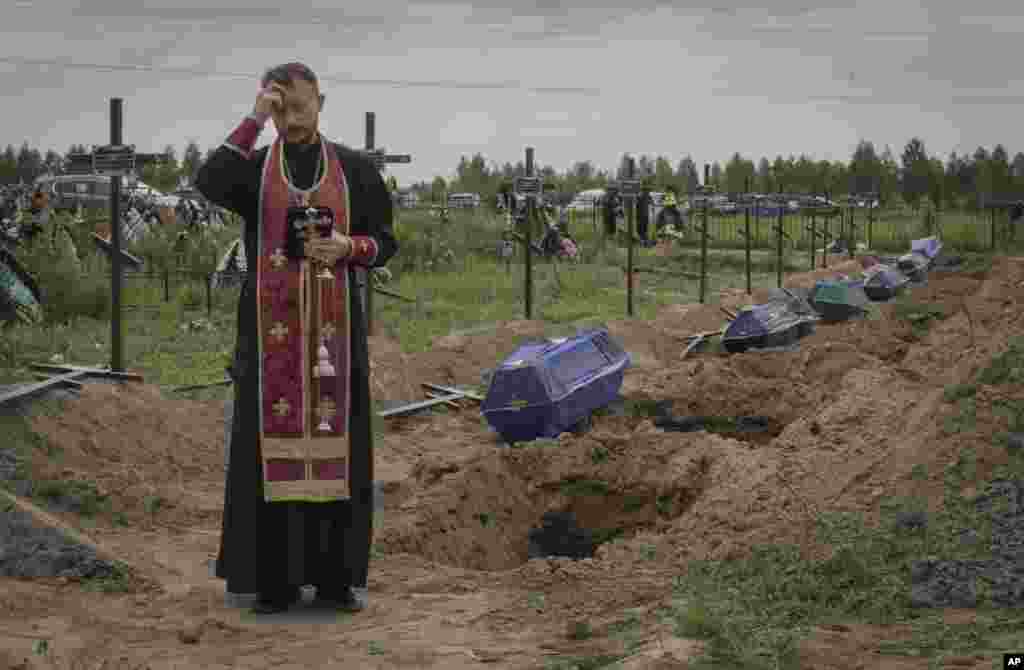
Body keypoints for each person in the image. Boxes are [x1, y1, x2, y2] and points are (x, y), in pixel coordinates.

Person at [194, 62, 397, 615]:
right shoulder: (255, 169)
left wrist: (348, 249)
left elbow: (385, 242)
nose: (291, 118)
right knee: (267, 454)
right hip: (268, 339)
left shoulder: (354, 168)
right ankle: (273, 582)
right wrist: (252, 118)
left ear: (321, 102)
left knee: (339, 452)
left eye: (300, 106)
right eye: (280, 108)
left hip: (334, 338)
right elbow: (207, 181)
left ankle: (335, 581)